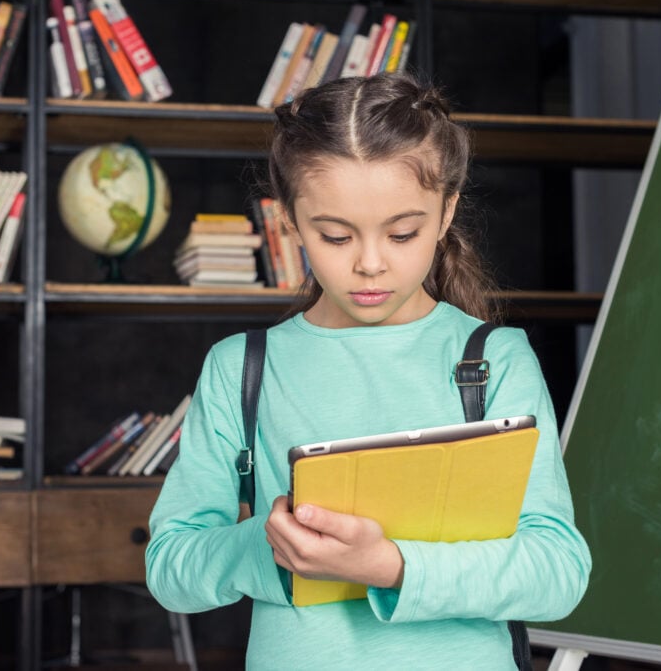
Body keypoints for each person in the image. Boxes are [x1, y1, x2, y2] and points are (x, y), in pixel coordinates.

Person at [146, 72, 591, 670]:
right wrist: (265, 547)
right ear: (289, 222)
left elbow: (558, 574)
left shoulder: (492, 359)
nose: (371, 264)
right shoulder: (242, 368)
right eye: (334, 235)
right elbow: (170, 568)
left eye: (403, 233)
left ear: (446, 212)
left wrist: (390, 566)